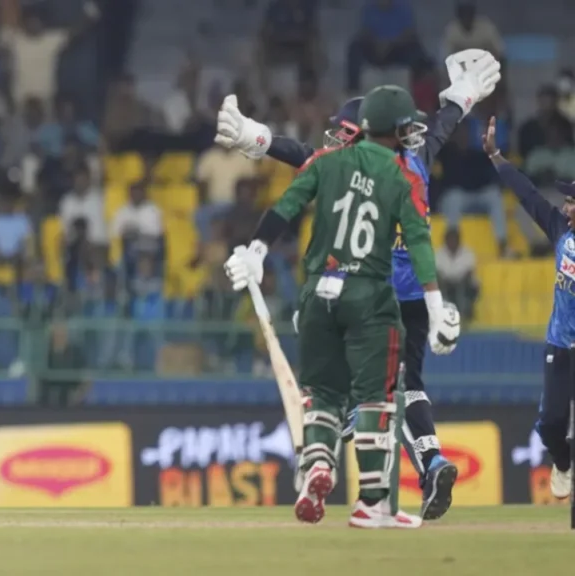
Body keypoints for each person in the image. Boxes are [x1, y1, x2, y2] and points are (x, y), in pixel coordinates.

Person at [215, 49, 501, 522]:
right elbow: (440, 133)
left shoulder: (347, 167)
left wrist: (256, 140)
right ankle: (425, 466)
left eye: (343, 132)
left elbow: (306, 163)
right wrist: (460, 99)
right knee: (403, 389)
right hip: (406, 296)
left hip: (360, 291)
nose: (335, 139)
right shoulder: (415, 164)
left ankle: (330, 466)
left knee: (346, 393)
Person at [483, 116, 575, 501]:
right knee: (552, 424)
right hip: (560, 344)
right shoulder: (560, 231)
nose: (566, 206)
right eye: (568, 201)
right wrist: (498, 158)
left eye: (572, 200)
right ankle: (564, 461)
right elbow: (529, 196)